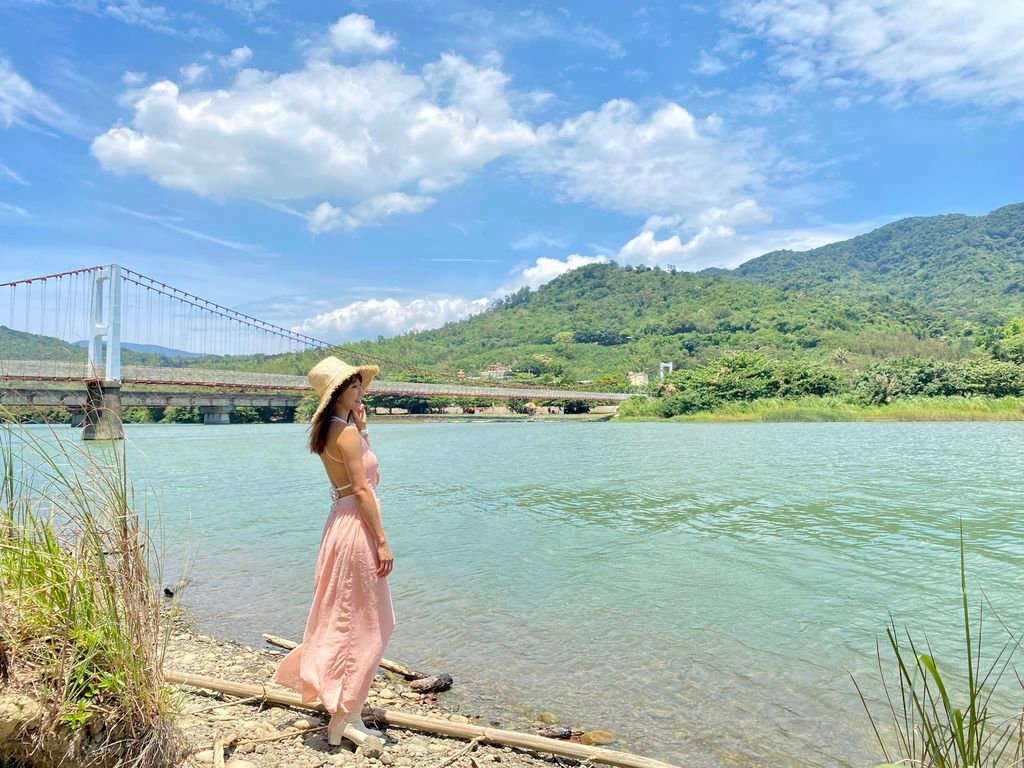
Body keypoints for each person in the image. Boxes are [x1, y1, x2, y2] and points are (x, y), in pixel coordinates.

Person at [274, 356, 395, 747]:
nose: (362, 390)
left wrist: (363, 428)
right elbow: (364, 489)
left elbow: (361, 474)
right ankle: (346, 715)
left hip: (339, 522)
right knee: (367, 619)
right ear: (339, 392)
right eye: (355, 385)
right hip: (356, 527)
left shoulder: (333, 431)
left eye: (360, 384)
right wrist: (381, 541)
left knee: (345, 613)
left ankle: (341, 701)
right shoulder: (342, 434)